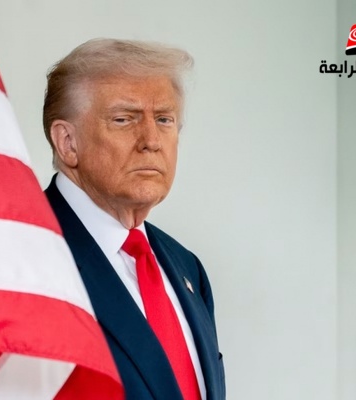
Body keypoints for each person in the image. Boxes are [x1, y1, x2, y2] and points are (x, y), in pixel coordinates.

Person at [42, 38, 226, 400]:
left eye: (164, 119)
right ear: (67, 142)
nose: (151, 141)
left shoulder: (188, 268)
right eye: (124, 119)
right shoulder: (22, 256)